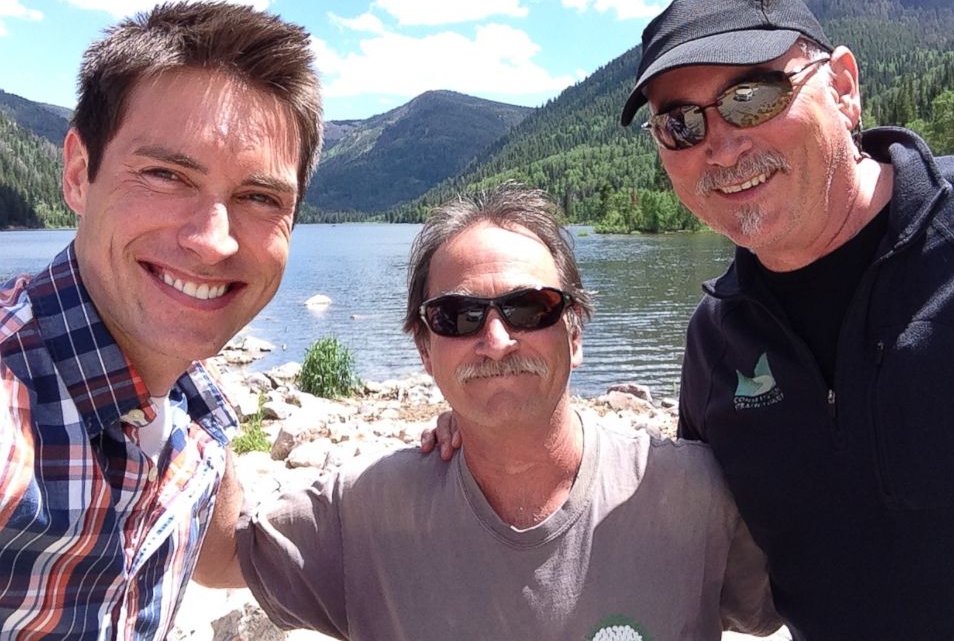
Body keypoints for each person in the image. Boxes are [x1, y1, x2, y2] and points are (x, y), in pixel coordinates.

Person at [194, 183, 779, 640]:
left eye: (530, 308)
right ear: (425, 348)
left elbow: (822, 592)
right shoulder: (369, 509)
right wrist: (187, 357)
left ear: (575, 333)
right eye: (458, 316)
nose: (497, 340)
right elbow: (215, 553)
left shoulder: (693, 494)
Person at [619, 0, 954, 639]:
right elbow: (713, 548)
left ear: (843, 87)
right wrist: (487, 437)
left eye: (752, 97)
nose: (722, 144)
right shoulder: (717, 340)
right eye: (681, 123)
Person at [0, 1, 323, 639]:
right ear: (78, 173)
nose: (213, 241)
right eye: (166, 175)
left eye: (259, 197)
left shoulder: (188, 413)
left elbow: (230, 552)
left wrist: (461, 462)